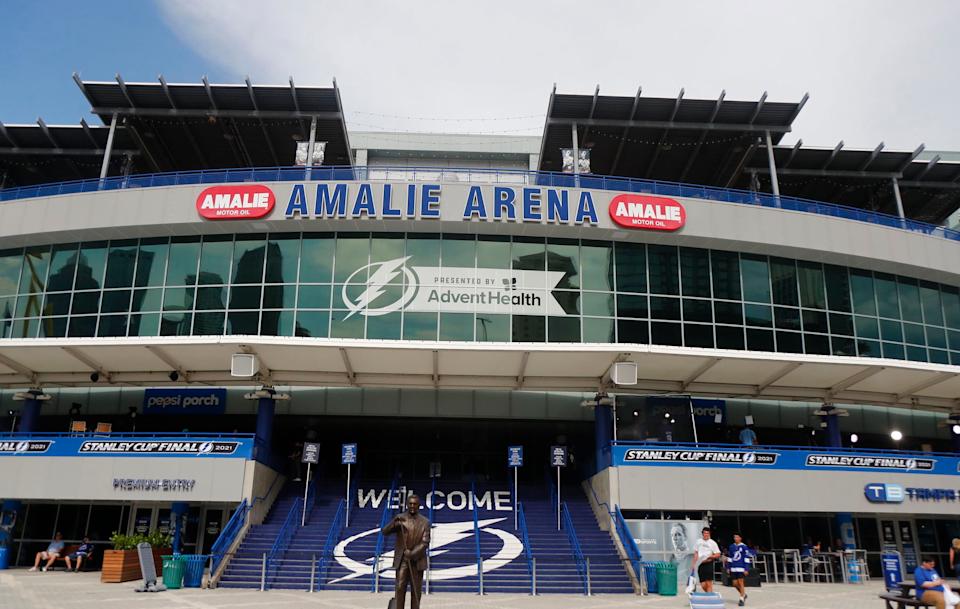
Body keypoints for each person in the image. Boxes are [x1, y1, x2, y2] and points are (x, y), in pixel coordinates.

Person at [382, 494, 430, 609]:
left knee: (416, 591)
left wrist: (412, 553)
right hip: (402, 560)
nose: (412, 506)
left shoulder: (425, 522)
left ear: (419, 505)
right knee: (399, 588)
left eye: (415, 504)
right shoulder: (401, 519)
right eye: (410, 504)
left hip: (417, 561)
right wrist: (394, 521)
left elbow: (425, 542)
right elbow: (385, 531)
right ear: (407, 505)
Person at [726, 533, 754, 606]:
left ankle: (741, 598)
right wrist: (728, 567)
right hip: (733, 567)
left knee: (740, 582)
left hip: (741, 567)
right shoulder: (731, 546)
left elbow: (746, 558)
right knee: (734, 584)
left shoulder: (744, 547)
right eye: (734, 537)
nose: (735, 538)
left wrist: (746, 569)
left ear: (740, 538)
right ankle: (744, 594)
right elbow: (730, 557)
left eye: (737, 537)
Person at [691, 527, 721, 594]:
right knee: (703, 584)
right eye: (705, 533)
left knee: (709, 583)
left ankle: (709, 598)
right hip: (700, 564)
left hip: (708, 564)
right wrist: (693, 564)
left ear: (709, 534)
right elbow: (696, 553)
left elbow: (718, 554)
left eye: (707, 533)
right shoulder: (698, 541)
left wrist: (711, 556)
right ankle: (709, 595)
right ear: (702, 534)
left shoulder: (712, 543)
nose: (706, 534)